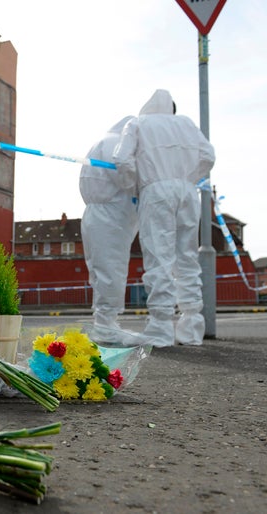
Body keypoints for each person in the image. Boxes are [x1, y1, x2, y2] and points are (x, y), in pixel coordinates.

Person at [113, 89, 216, 347]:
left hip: (155, 190)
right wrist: (189, 178)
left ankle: (161, 327)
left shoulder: (137, 124)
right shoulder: (186, 123)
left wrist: (134, 187)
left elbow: (122, 159)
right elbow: (208, 156)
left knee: (159, 258)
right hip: (187, 191)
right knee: (187, 258)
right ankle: (192, 327)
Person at [79, 116, 140, 346]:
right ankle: (106, 326)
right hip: (113, 214)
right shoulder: (119, 143)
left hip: (97, 213)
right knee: (111, 270)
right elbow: (126, 175)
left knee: (100, 270)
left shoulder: (102, 141)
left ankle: (103, 324)